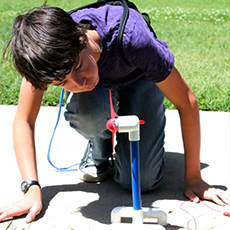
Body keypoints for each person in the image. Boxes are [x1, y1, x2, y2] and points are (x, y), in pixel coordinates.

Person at [0, 4, 229, 224]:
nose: (78, 82)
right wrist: (31, 188)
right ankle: (99, 147)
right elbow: (24, 120)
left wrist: (194, 178)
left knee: (143, 182)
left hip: (138, 74)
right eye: (62, 82)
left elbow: (187, 102)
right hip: (97, 82)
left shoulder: (131, 37)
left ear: (82, 39)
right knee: (88, 112)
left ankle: (123, 150)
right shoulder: (45, 56)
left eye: (78, 67)